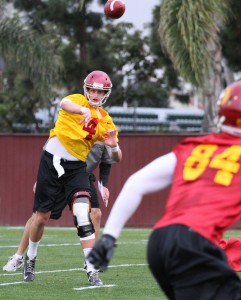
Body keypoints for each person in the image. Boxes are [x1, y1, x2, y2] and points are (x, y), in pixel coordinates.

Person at [88, 80, 241, 299]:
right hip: (193, 245)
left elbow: (136, 182)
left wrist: (109, 237)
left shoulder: (195, 148)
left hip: (159, 243)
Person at [21, 70, 122, 286]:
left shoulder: (106, 121)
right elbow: (63, 104)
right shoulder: (77, 100)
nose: (95, 94)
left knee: (81, 213)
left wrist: (113, 146)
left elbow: (117, 157)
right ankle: (30, 258)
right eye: (92, 90)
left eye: (99, 91)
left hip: (76, 167)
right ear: (86, 89)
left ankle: (92, 271)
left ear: (106, 94)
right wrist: (82, 111)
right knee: (41, 217)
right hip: (52, 160)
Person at [3, 141, 117, 273]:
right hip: (59, 173)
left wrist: (104, 185)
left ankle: (91, 259)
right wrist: (42, 178)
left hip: (81, 176)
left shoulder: (106, 128)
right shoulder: (70, 124)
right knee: (39, 217)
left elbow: (108, 160)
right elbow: (50, 151)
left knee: (95, 213)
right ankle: (18, 257)